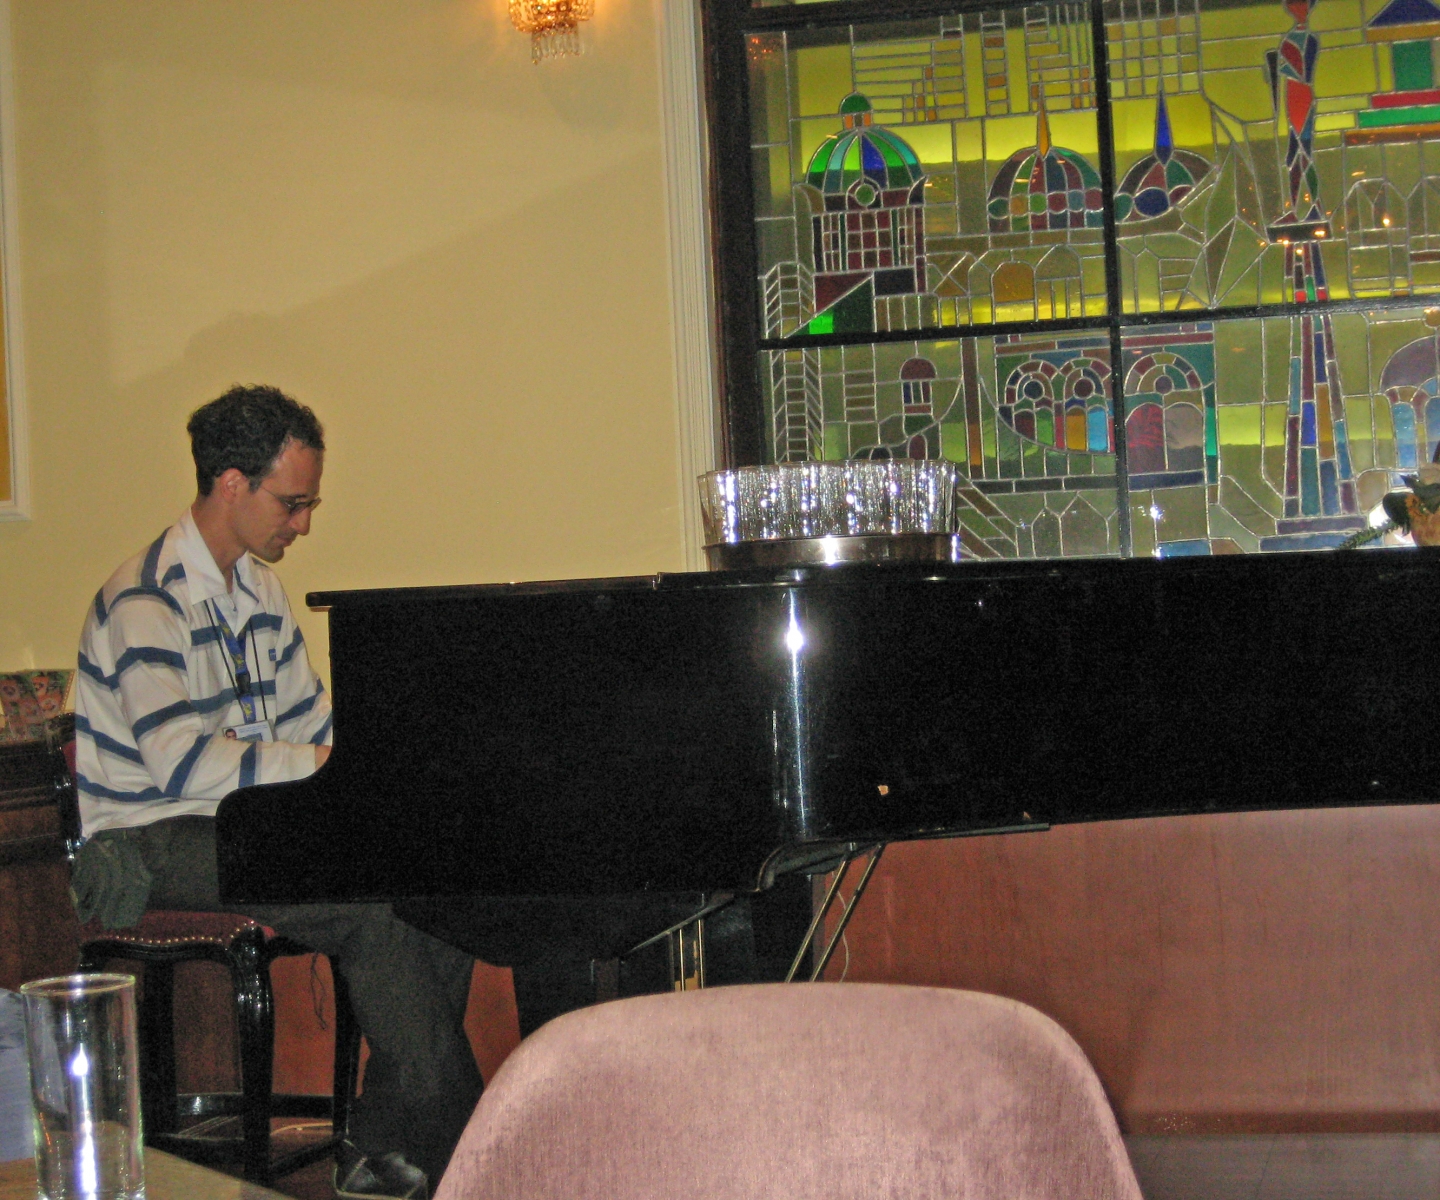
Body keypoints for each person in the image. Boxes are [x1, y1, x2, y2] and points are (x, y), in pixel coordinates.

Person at [72, 385, 480, 1200]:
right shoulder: (143, 598)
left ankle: (381, 1146)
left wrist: (376, 776)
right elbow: (180, 768)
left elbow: (317, 729)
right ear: (231, 484)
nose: (303, 524)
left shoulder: (259, 592)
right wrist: (326, 767)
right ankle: (473, 1136)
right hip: (149, 837)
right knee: (364, 906)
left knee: (440, 878)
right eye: (293, 503)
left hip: (247, 823)